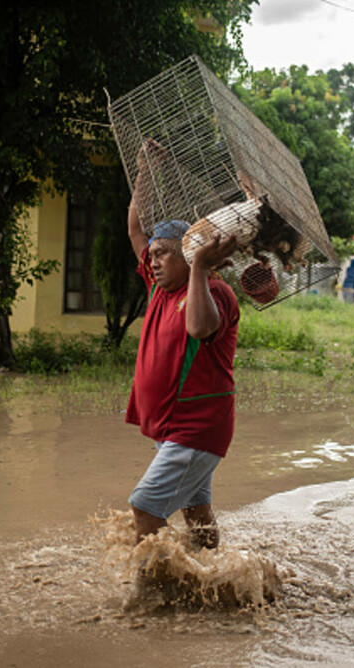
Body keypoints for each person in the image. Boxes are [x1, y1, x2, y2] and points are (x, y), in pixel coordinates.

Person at [125, 140, 240, 551]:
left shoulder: (215, 291)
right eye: (151, 256)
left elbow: (199, 329)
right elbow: (136, 229)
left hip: (195, 428)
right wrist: (144, 170)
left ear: (187, 257)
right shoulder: (161, 287)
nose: (152, 261)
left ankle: (147, 599)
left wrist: (202, 267)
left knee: (145, 510)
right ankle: (213, 578)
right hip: (175, 427)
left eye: (163, 255)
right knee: (197, 513)